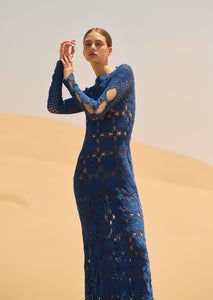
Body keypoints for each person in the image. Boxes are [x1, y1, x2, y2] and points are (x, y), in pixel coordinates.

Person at [47, 27, 155, 299]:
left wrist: (71, 80)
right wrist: (62, 68)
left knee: (134, 245)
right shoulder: (92, 91)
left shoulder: (123, 75)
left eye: (98, 43)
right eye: (87, 45)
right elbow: (54, 106)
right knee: (100, 253)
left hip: (119, 177)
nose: (92, 47)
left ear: (109, 49)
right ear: (83, 53)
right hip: (88, 180)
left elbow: (97, 109)